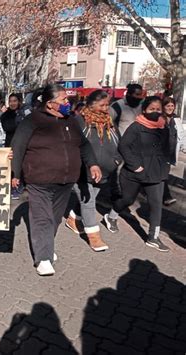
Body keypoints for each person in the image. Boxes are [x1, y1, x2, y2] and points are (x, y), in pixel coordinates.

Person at [11, 84, 101, 276]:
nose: (67, 103)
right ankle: (43, 258)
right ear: (50, 104)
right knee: (42, 219)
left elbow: (84, 145)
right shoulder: (32, 120)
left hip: (66, 180)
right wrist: (15, 174)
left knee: (54, 219)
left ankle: (46, 246)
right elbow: (17, 147)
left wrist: (92, 164)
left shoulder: (73, 120)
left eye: (67, 100)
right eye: (63, 100)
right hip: (39, 180)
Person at [104, 96, 175, 252]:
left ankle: (153, 237)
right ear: (144, 110)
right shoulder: (136, 126)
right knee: (127, 199)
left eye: (158, 109)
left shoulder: (164, 127)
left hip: (156, 173)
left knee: (156, 205)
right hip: (134, 172)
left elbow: (167, 147)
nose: (155, 112)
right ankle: (112, 215)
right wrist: (135, 166)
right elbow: (124, 146)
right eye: (152, 109)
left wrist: (167, 164)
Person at [65, 90, 121, 252]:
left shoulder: (109, 121)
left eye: (107, 105)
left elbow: (119, 142)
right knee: (89, 202)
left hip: (105, 172)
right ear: (91, 104)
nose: (105, 108)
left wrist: (116, 160)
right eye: (102, 105)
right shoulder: (80, 121)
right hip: (82, 170)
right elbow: (72, 144)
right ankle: (94, 236)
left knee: (87, 199)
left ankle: (72, 219)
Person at [1, 93, 25, 200]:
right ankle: (13, 187)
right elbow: (8, 127)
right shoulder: (5, 115)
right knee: (13, 167)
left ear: (19, 101)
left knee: (23, 165)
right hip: (11, 144)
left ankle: (22, 185)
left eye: (15, 101)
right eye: (11, 101)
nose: (13, 103)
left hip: (24, 144)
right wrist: (19, 121)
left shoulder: (24, 112)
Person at [162, 97, 183, 206]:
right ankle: (166, 197)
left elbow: (181, 135)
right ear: (163, 107)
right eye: (167, 106)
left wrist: (183, 148)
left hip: (170, 152)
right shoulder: (160, 117)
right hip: (159, 151)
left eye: (172, 106)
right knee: (163, 175)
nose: (170, 108)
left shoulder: (177, 119)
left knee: (163, 174)